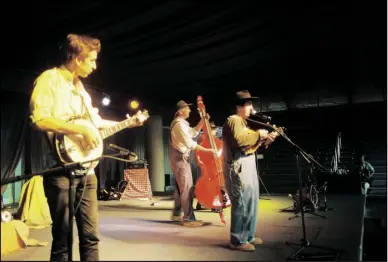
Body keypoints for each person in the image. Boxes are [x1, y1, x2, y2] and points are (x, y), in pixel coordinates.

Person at [29, 34, 147, 261]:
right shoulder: (49, 80)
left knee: (91, 236)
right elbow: (39, 119)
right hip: (60, 171)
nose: (95, 65)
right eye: (91, 60)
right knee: (62, 239)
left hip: (87, 171)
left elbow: (95, 123)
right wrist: (79, 131)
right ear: (77, 59)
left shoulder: (81, 88)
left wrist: (129, 122)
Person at [222, 90, 278, 252]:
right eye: (249, 104)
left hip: (247, 163)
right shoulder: (234, 120)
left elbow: (248, 147)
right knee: (242, 203)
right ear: (239, 106)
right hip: (238, 166)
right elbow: (241, 140)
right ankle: (237, 239)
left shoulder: (244, 122)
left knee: (251, 201)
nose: (251, 108)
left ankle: (248, 235)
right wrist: (259, 134)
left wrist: (263, 140)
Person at [169, 100, 215, 227]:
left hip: (179, 157)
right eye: (187, 108)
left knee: (180, 188)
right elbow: (190, 144)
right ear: (180, 111)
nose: (189, 110)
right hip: (180, 158)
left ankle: (177, 214)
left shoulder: (181, 124)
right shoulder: (178, 125)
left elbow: (194, 132)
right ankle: (189, 218)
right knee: (187, 188)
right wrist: (208, 150)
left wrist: (202, 121)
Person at [194, 122, 231, 212]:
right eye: (211, 129)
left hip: (215, 164)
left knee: (216, 184)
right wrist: (200, 161)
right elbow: (198, 150)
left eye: (214, 129)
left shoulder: (216, 140)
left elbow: (220, 151)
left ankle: (208, 203)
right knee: (210, 184)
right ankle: (212, 204)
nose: (213, 131)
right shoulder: (202, 138)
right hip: (207, 164)